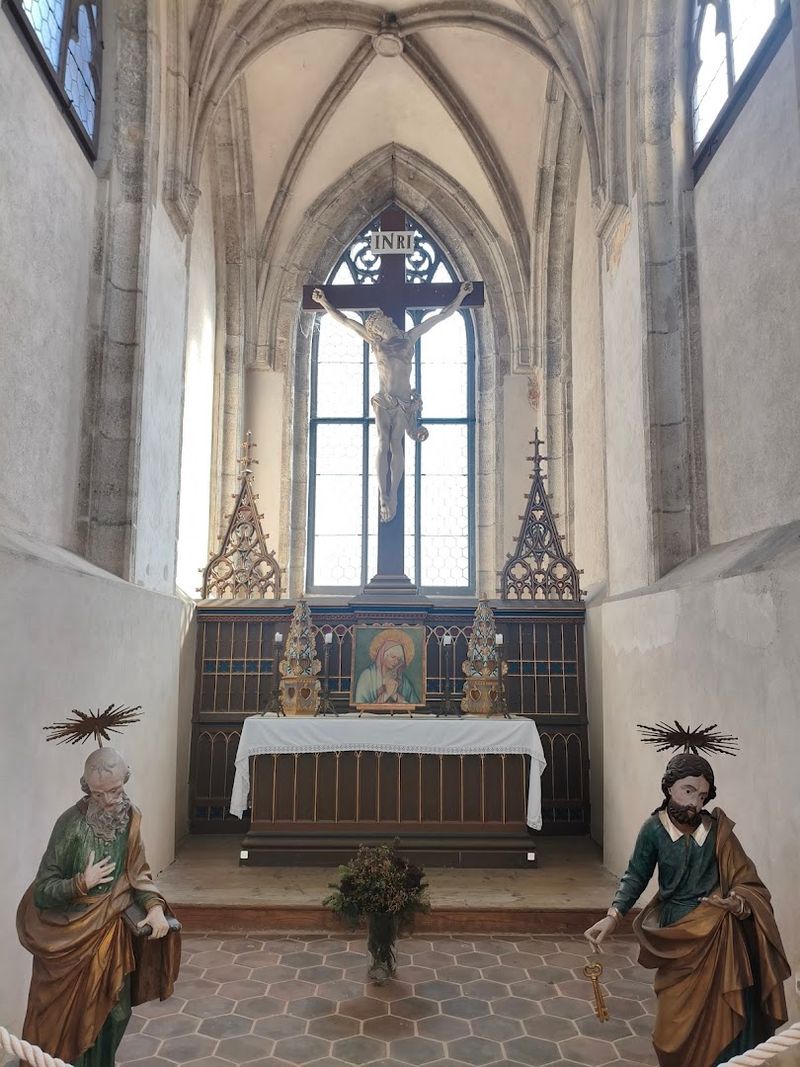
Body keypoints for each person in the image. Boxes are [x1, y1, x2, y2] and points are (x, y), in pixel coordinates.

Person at [584, 752, 789, 1067]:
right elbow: (636, 875)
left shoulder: (717, 830)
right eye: (688, 790)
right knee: (673, 1025)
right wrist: (613, 917)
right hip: (677, 931)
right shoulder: (653, 829)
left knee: (725, 1011)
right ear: (669, 788)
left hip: (719, 933)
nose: (695, 802)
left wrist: (735, 902)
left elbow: (747, 882)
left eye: (702, 795)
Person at [17, 748, 181, 1067]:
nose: (108, 800)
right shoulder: (70, 825)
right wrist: (81, 882)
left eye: (115, 791)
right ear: (87, 789)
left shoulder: (130, 817)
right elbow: (43, 892)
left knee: (116, 1014)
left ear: (125, 781)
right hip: (68, 940)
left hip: (111, 933)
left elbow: (139, 871)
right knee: (70, 1023)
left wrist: (155, 906)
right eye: (98, 793)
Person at [312, 281, 473, 521]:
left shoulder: (409, 337)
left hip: (403, 401)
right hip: (383, 399)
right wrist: (324, 302)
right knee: (382, 441)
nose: (387, 321)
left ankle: (393, 493)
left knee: (396, 444)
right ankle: (382, 493)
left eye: (384, 320)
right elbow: (345, 321)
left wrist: (460, 296)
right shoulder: (374, 341)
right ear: (377, 328)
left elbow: (440, 317)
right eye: (382, 322)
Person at [354, 627, 421, 705]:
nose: (396, 662)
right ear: (383, 655)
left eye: (399, 659)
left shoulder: (403, 681)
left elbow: (415, 704)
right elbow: (360, 704)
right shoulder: (367, 676)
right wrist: (386, 695)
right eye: (393, 657)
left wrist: (395, 696)